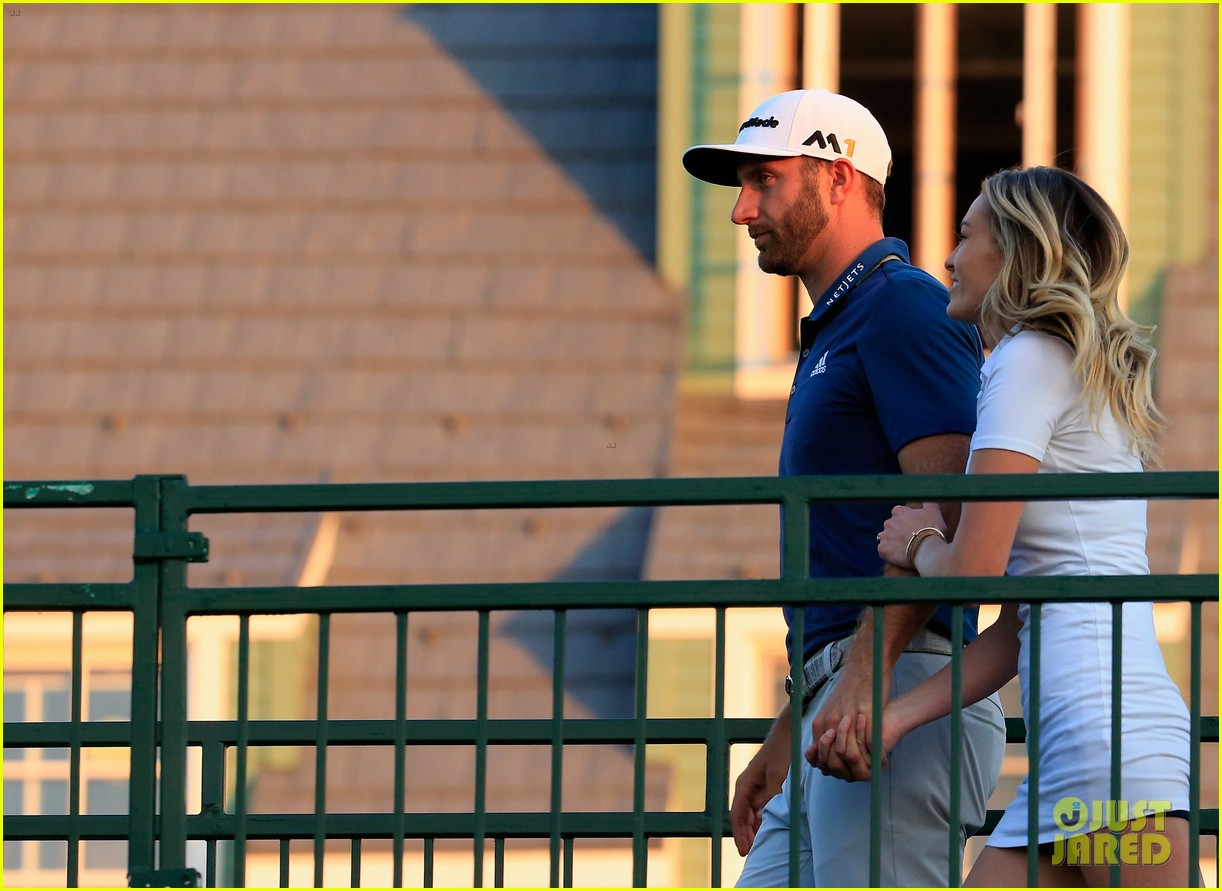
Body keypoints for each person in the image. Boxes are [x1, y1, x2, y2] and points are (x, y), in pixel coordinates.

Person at [813, 166, 1196, 886]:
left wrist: (920, 542)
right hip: (1082, 757)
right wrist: (895, 716)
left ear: (1015, 252)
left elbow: (972, 575)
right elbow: (1018, 625)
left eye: (965, 235)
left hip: (1106, 756)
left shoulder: (1024, 360)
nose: (949, 258)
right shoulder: (1063, 363)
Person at [682, 89, 1006, 887]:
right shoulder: (848, 321)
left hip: (899, 690)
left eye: (766, 181)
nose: (742, 209)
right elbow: (849, 554)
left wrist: (864, 678)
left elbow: (950, 511)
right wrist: (785, 732)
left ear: (838, 178)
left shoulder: (901, 307)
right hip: (843, 701)